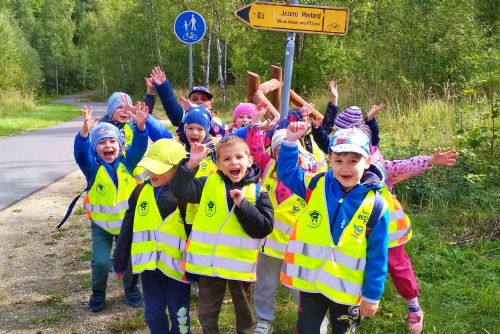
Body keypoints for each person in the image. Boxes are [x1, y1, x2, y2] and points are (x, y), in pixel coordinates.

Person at [277, 124, 389, 334]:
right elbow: (287, 172)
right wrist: (291, 142)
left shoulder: (377, 206)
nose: (345, 168)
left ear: (367, 162)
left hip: (347, 291)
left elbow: (378, 256)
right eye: (339, 161)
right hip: (312, 283)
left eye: (353, 161)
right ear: (330, 160)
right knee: (307, 329)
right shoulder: (316, 184)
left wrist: (372, 296)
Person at [170, 135, 274, 334]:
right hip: (208, 266)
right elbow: (179, 190)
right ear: (217, 163)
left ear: (249, 161)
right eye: (226, 159)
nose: (233, 162)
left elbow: (264, 227)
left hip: (239, 268)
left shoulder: (258, 191)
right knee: (206, 312)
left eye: (239, 157)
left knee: (244, 312)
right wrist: (191, 164)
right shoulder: (207, 184)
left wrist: (243, 205)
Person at [74, 99, 148, 312]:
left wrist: (141, 128)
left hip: (126, 224)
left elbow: (140, 146)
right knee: (102, 262)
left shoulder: (127, 162)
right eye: (102, 142)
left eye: (112, 141)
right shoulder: (91, 168)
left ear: (120, 145)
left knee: (129, 259)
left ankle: (132, 289)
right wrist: (84, 134)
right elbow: (80, 154)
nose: (108, 146)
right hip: (101, 225)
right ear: (95, 148)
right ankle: (98, 293)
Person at [113, 139, 191, 334]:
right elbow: (127, 228)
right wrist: (120, 262)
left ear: (177, 170)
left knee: (178, 312)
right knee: (153, 313)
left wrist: (196, 271)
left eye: (159, 169)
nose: (152, 173)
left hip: (177, 270)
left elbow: (194, 233)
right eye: (150, 167)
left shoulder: (184, 196)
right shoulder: (139, 192)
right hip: (149, 269)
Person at [244, 105, 309, 334]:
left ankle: (310, 319)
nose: (281, 155)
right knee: (265, 284)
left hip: (296, 246)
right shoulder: (268, 167)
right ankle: (264, 319)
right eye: (277, 150)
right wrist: (255, 124)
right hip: (269, 243)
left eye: (287, 150)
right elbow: (254, 149)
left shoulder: (306, 177)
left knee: (299, 286)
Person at [150, 66, 228, 139]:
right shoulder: (185, 117)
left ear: (211, 104)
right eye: (194, 99)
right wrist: (163, 87)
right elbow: (172, 109)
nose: (199, 102)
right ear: (188, 102)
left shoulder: (219, 123)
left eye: (204, 99)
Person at [98, 79, 156, 150]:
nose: (124, 111)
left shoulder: (132, 121)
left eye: (127, 108)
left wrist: (150, 91)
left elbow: (145, 112)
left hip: (134, 156)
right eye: (119, 107)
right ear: (111, 110)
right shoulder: (103, 126)